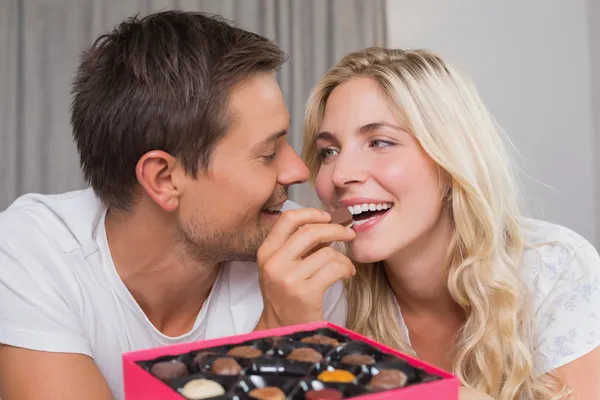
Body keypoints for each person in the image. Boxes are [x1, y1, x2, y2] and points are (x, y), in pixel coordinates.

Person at [0, 11, 355, 400]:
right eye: (269, 152)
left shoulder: (299, 260)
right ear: (164, 180)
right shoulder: (29, 253)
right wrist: (275, 335)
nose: (299, 170)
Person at [302, 47, 600, 399]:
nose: (340, 175)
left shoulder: (555, 268)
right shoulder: (325, 293)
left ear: (448, 160)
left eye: (379, 142)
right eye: (328, 151)